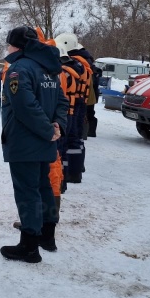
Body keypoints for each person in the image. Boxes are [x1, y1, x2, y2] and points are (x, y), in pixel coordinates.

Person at [0, 26, 68, 263]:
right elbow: (61, 100)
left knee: (27, 192)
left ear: (17, 46)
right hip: (44, 141)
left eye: (9, 44)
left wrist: (48, 129)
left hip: (25, 141)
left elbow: (24, 106)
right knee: (43, 187)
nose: (7, 48)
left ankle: (29, 245)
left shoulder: (19, 69)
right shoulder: (49, 69)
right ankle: (47, 236)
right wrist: (57, 125)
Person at [55, 33, 92, 186]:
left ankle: (66, 176)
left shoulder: (67, 69)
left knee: (66, 142)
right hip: (78, 103)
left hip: (70, 107)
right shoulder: (81, 65)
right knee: (76, 139)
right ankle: (75, 170)